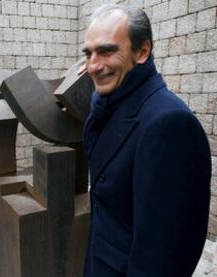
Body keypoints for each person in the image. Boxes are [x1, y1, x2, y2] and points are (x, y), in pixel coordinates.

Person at [81, 5, 211, 277]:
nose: (93, 66)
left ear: (142, 52)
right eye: (89, 53)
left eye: (106, 51)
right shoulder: (109, 108)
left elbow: (164, 255)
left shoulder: (170, 124)